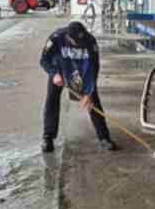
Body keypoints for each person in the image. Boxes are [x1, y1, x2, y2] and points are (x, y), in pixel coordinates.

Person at [40, 21, 117, 153]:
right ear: (68, 38)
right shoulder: (56, 37)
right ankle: (48, 137)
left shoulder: (90, 41)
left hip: (81, 72)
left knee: (93, 102)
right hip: (59, 70)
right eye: (76, 42)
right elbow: (44, 60)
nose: (80, 44)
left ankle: (104, 138)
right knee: (52, 100)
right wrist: (54, 73)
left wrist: (88, 93)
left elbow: (94, 68)